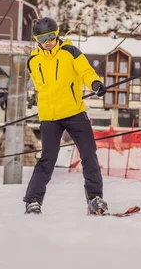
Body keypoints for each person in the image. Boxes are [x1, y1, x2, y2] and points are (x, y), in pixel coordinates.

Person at [23, 17, 108, 215]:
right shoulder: (33, 61)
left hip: (74, 112)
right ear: (37, 40)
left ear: (57, 33)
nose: (48, 41)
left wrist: (95, 83)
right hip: (49, 116)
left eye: (51, 36)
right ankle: (32, 201)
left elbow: (86, 71)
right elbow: (39, 86)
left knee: (88, 153)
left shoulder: (70, 51)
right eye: (43, 38)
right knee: (48, 158)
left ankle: (95, 198)